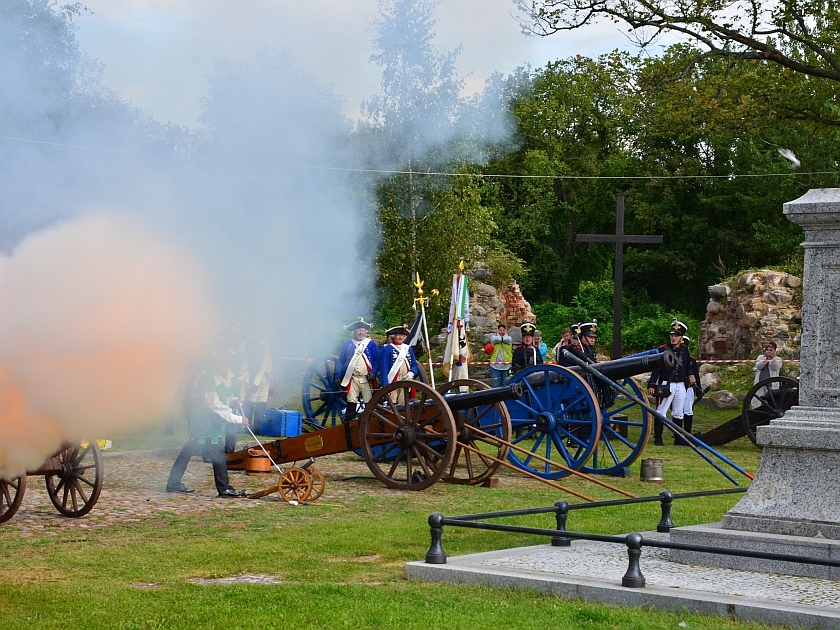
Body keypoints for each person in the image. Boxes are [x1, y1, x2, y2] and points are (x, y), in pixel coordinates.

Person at [166, 348, 249, 497]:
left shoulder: (225, 377)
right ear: (216, 363)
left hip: (210, 424)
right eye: (222, 362)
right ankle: (224, 489)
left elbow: (224, 397)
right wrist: (238, 419)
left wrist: (234, 401)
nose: (225, 365)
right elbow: (215, 405)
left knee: (189, 450)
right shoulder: (208, 381)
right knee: (218, 455)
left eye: (228, 362)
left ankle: (173, 483)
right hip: (205, 424)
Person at [647, 319, 695, 446]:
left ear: (681, 337)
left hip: (681, 384)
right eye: (672, 335)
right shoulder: (663, 349)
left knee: (678, 412)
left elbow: (688, 366)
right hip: (666, 383)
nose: (674, 338)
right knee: (661, 411)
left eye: (676, 335)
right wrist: (652, 383)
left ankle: (678, 438)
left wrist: (691, 375)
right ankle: (658, 438)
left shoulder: (685, 350)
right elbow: (656, 367)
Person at [334, 318, 380, 422]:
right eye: (358, 330)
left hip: (366, 378)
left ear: (365, 332)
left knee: (369, 402)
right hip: (352, 378)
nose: (361, 332)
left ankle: (369, 425)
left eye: (363, 330)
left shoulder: (371, 343)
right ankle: (349, 425)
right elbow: (341, 361)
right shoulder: (347, 344)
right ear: (354, 332)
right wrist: (337, 375)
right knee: (351, 402)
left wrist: (373, 373)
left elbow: (377, 360)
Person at [380, 324, 421, 404]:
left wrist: (411, 372)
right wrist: (385, 385)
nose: (400, 337)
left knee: (403, 404)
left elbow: (414, 364)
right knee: (392, 404)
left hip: (406, 380)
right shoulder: (387, 349)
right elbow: (383, 368)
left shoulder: (408, 348)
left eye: (402, 335)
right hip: (392, 381)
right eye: (398, 335)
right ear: (393, 336)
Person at [676, 335, 701, 446]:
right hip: (678, 385)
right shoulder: (675, 358)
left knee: (688, 411)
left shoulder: (691, 360)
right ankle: (677, 435)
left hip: (689, 388)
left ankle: (687, 434)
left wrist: (698, 390)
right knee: (678, 411)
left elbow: (695, 375)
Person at [750, 340, 783, 408]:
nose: (769, 350)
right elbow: (758, 366)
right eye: (768, 348)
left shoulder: (778, 359)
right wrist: (766, 358)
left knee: (771, 401)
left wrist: (771, 358)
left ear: (774, 350)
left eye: (771, 349)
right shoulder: (760, 357)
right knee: (757, 400)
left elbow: (776, 367)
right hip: (760, 383)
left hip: (772, 384)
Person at [488, 323, 513, 387]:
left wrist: (503, 337)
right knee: (495, 385)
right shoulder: (493, 338)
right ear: (497, 331)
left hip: (506, 366)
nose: (502, 332)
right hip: (495, 365)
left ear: (506, 331)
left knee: (504, 385)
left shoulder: (509, 338)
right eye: (500, 330)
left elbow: (507, 340)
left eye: (503, 330)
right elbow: (497, 340)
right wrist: (498, 335)